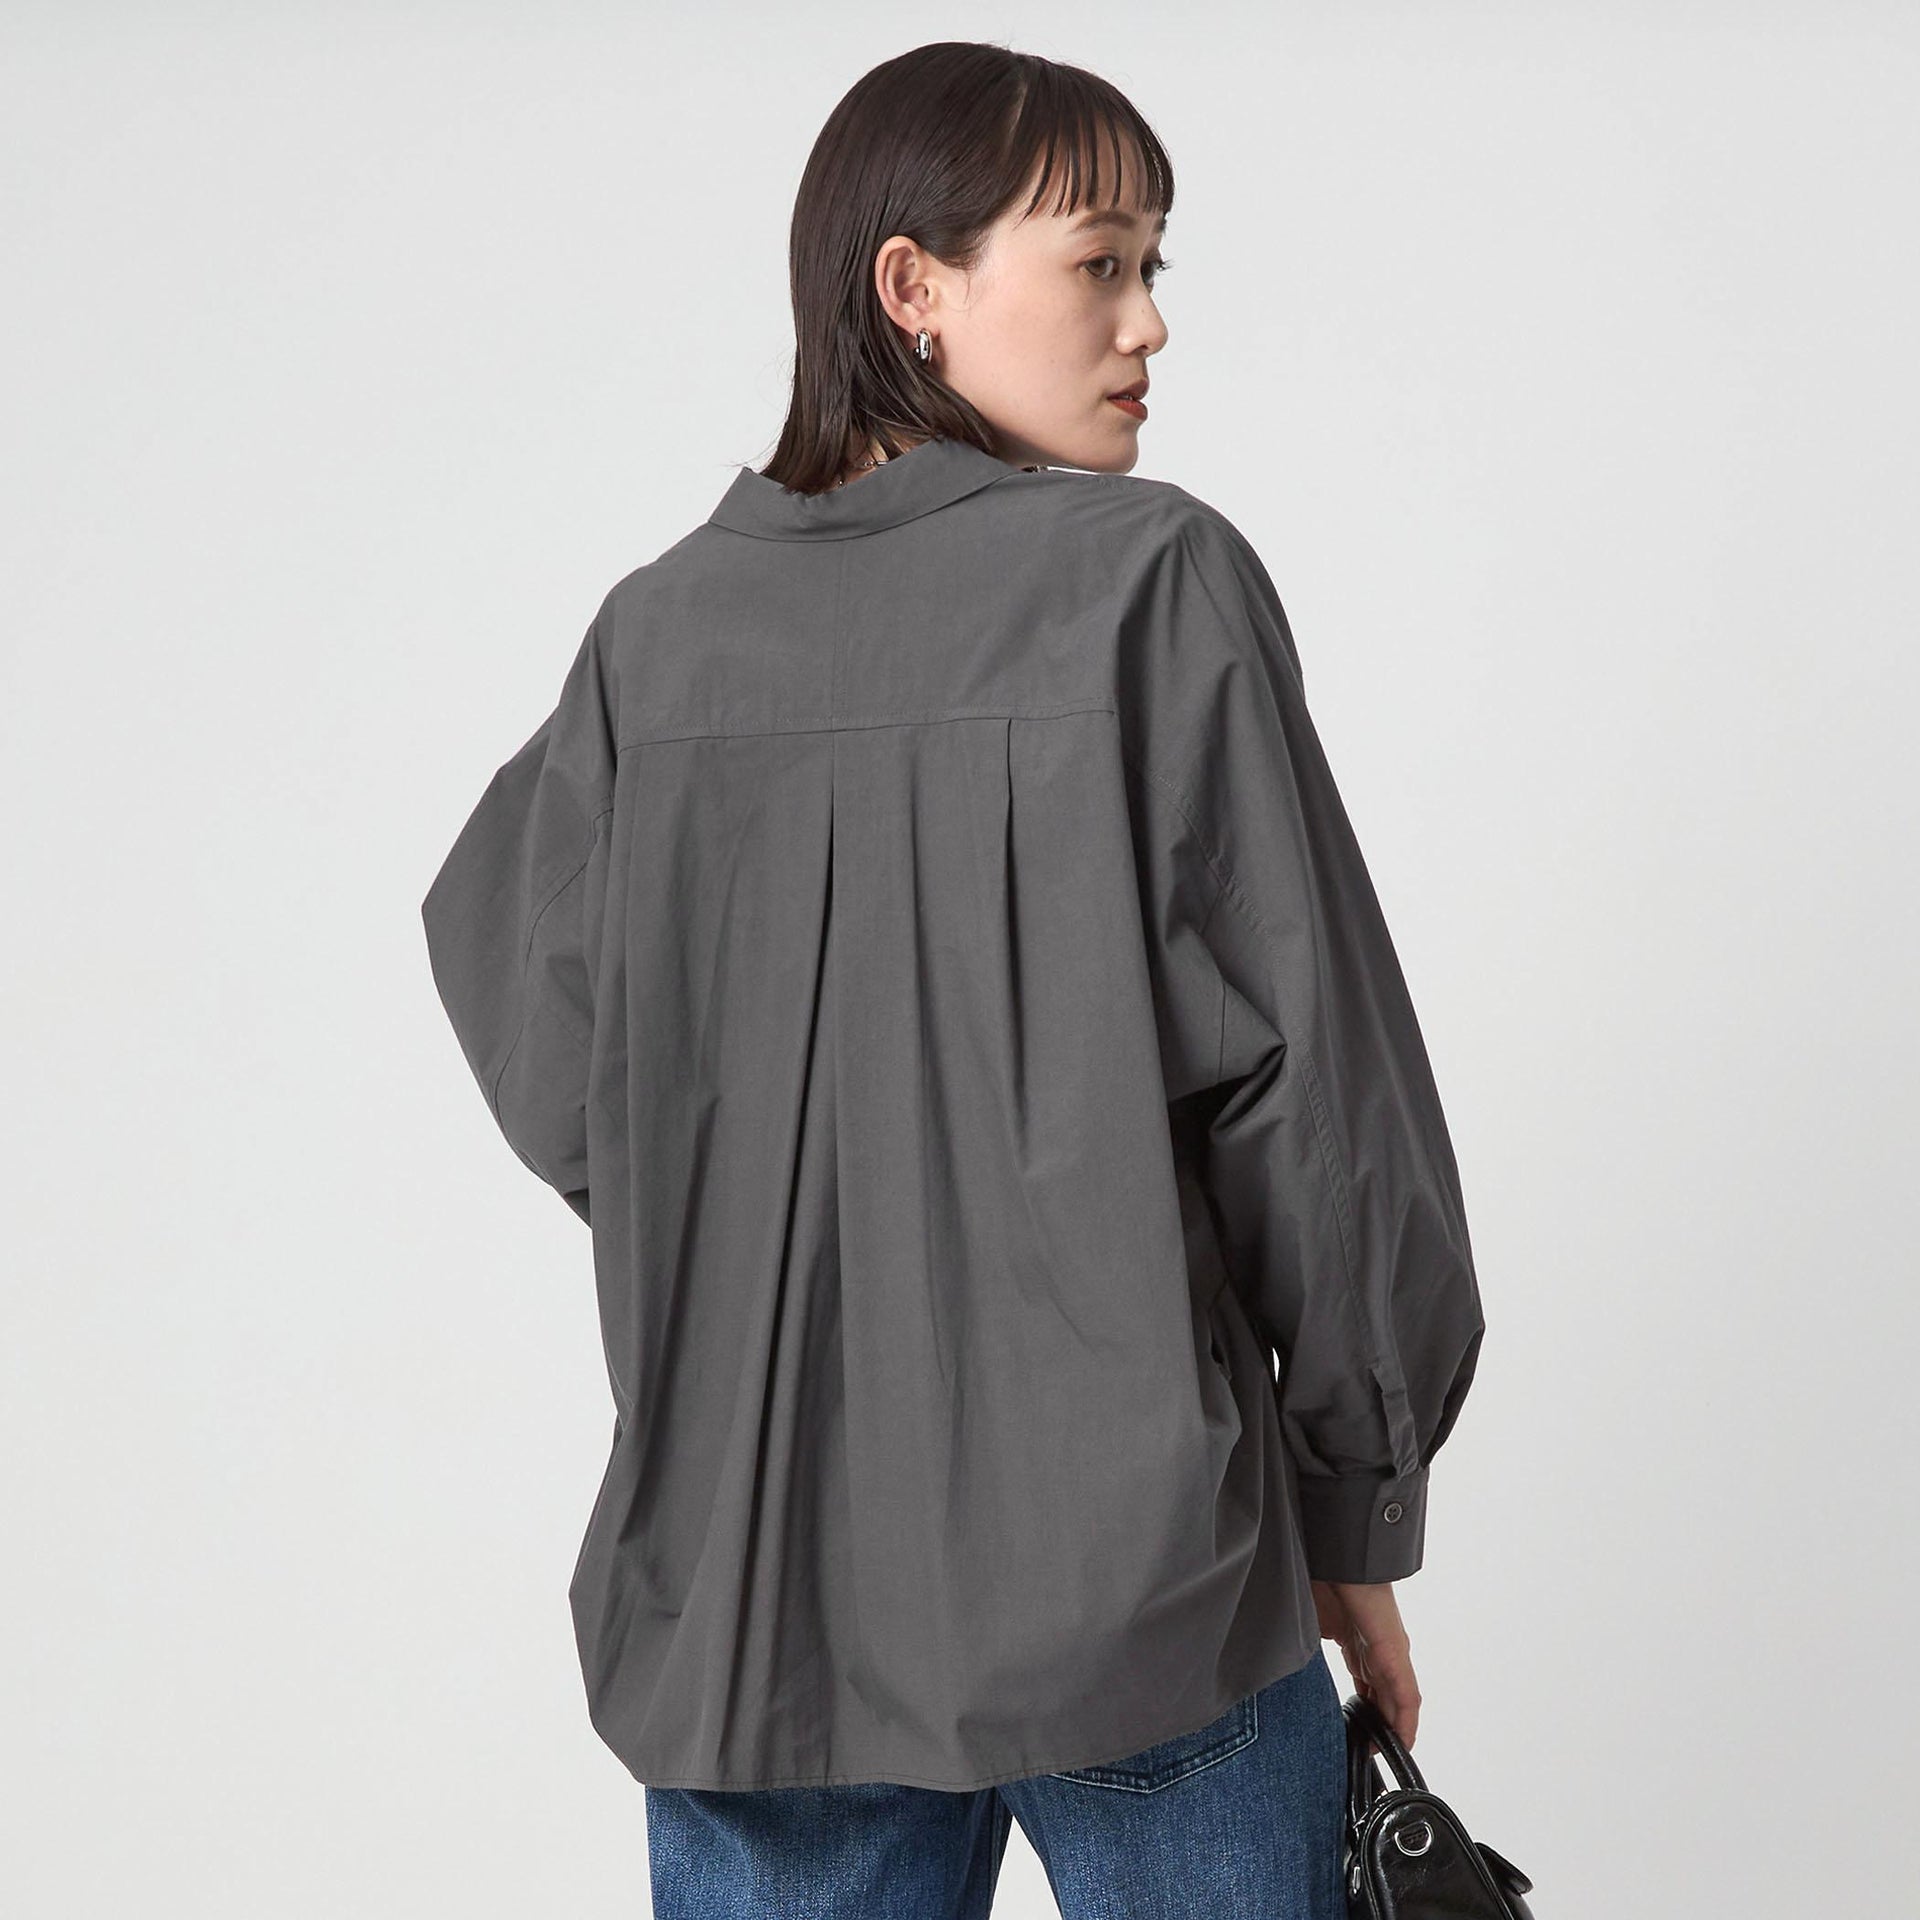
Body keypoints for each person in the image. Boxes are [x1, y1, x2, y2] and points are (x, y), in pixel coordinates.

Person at [419, 38, 1487, 1920]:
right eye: (1101, 263)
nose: (1149, 321)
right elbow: (1316, 1112)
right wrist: (1356, 1506)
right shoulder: (1156, 584)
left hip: (754, 1602)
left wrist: (775, 1222)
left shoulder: (656, 638)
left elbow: (548, 1029)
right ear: (912, 287)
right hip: (1141, 1580)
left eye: (1154, 266)